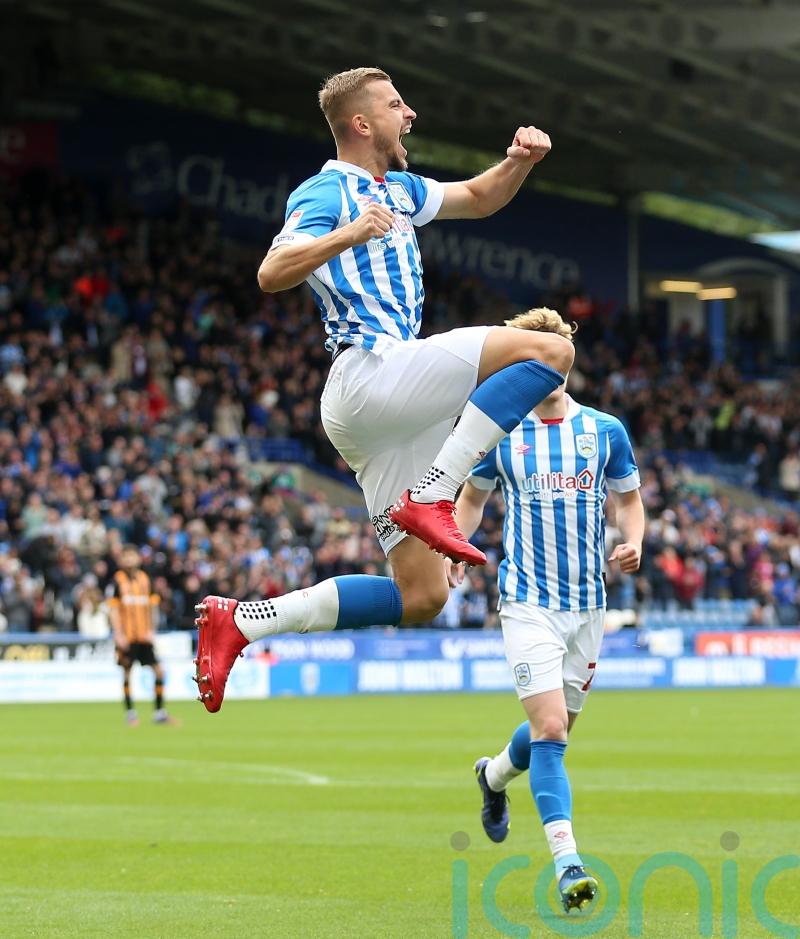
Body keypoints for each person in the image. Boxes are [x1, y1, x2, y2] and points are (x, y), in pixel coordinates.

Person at [193, 66, 574, 713]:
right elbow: (271, 270)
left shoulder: (395, 187)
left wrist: (518, 162)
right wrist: (349, 232)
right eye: (397, 104)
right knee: (552, 349)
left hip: (379, 408)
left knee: (422, 597)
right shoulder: (331, 190)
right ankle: (432, 497)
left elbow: (478, 199)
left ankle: (244, 621)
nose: (412, 114)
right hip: (373, 371)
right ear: (362, 123)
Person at [449, 308, 644, 913]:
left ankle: (492, 776)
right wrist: (455, 545)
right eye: (540, 357)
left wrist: (633, 538)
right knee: (553, 731)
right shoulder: (502, 433)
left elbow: (630, 500)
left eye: (560, 356)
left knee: (548, 734)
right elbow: (472, 499)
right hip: (528, 602)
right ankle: (569, 866)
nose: (552, 368)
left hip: (588, 607)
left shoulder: (604, 431)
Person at [107, 546, 175, 726]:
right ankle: (130, 714)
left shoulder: (146, 580)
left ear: (138, 558)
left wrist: (152, 629)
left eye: (132, 555)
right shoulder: (117, 582)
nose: (129, 559)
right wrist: (118, 633)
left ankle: (159, 712)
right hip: (127, 636)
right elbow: (113, 609)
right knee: (127, 672)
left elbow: (153, 607)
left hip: (144, 636)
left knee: (159, 671)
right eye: (126, 556)